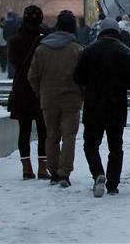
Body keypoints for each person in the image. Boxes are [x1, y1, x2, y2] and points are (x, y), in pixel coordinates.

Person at [74, 18, 130, 197]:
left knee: (90, 144)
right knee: (116, 147)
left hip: (93, 105)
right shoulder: (126, 52)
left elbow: (78, 77)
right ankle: (113, 184)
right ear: (117, 33)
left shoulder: (89, 51)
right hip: (116, 106)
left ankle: (98, 173)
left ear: (101, 32)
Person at [28, 11, 84, 187]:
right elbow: (84, 78)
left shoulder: (42, 50)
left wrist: (40, 92)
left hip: (48, 99)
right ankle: (64, 173)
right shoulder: (77, 50)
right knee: (69, 136)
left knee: (51, 135)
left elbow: (32, 76)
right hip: (71, 99)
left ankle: (53, 170)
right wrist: (82, 94)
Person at [7, 5, 49, 180]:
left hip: (21, 89)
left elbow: (13, 63)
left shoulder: (15, 41)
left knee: (24, 131)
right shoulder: (45, 41)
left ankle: (26, 168)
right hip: (40, 89)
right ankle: (43, 168)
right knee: (43, 131)